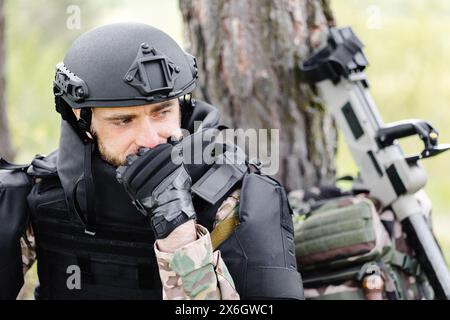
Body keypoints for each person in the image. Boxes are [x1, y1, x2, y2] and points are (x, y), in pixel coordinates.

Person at [0, 22, 303, 300]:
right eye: (124, 120)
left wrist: (179, 231)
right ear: (82, 119)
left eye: (161, 112)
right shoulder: (42, 193)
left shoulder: (238, 198)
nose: (150, 138)